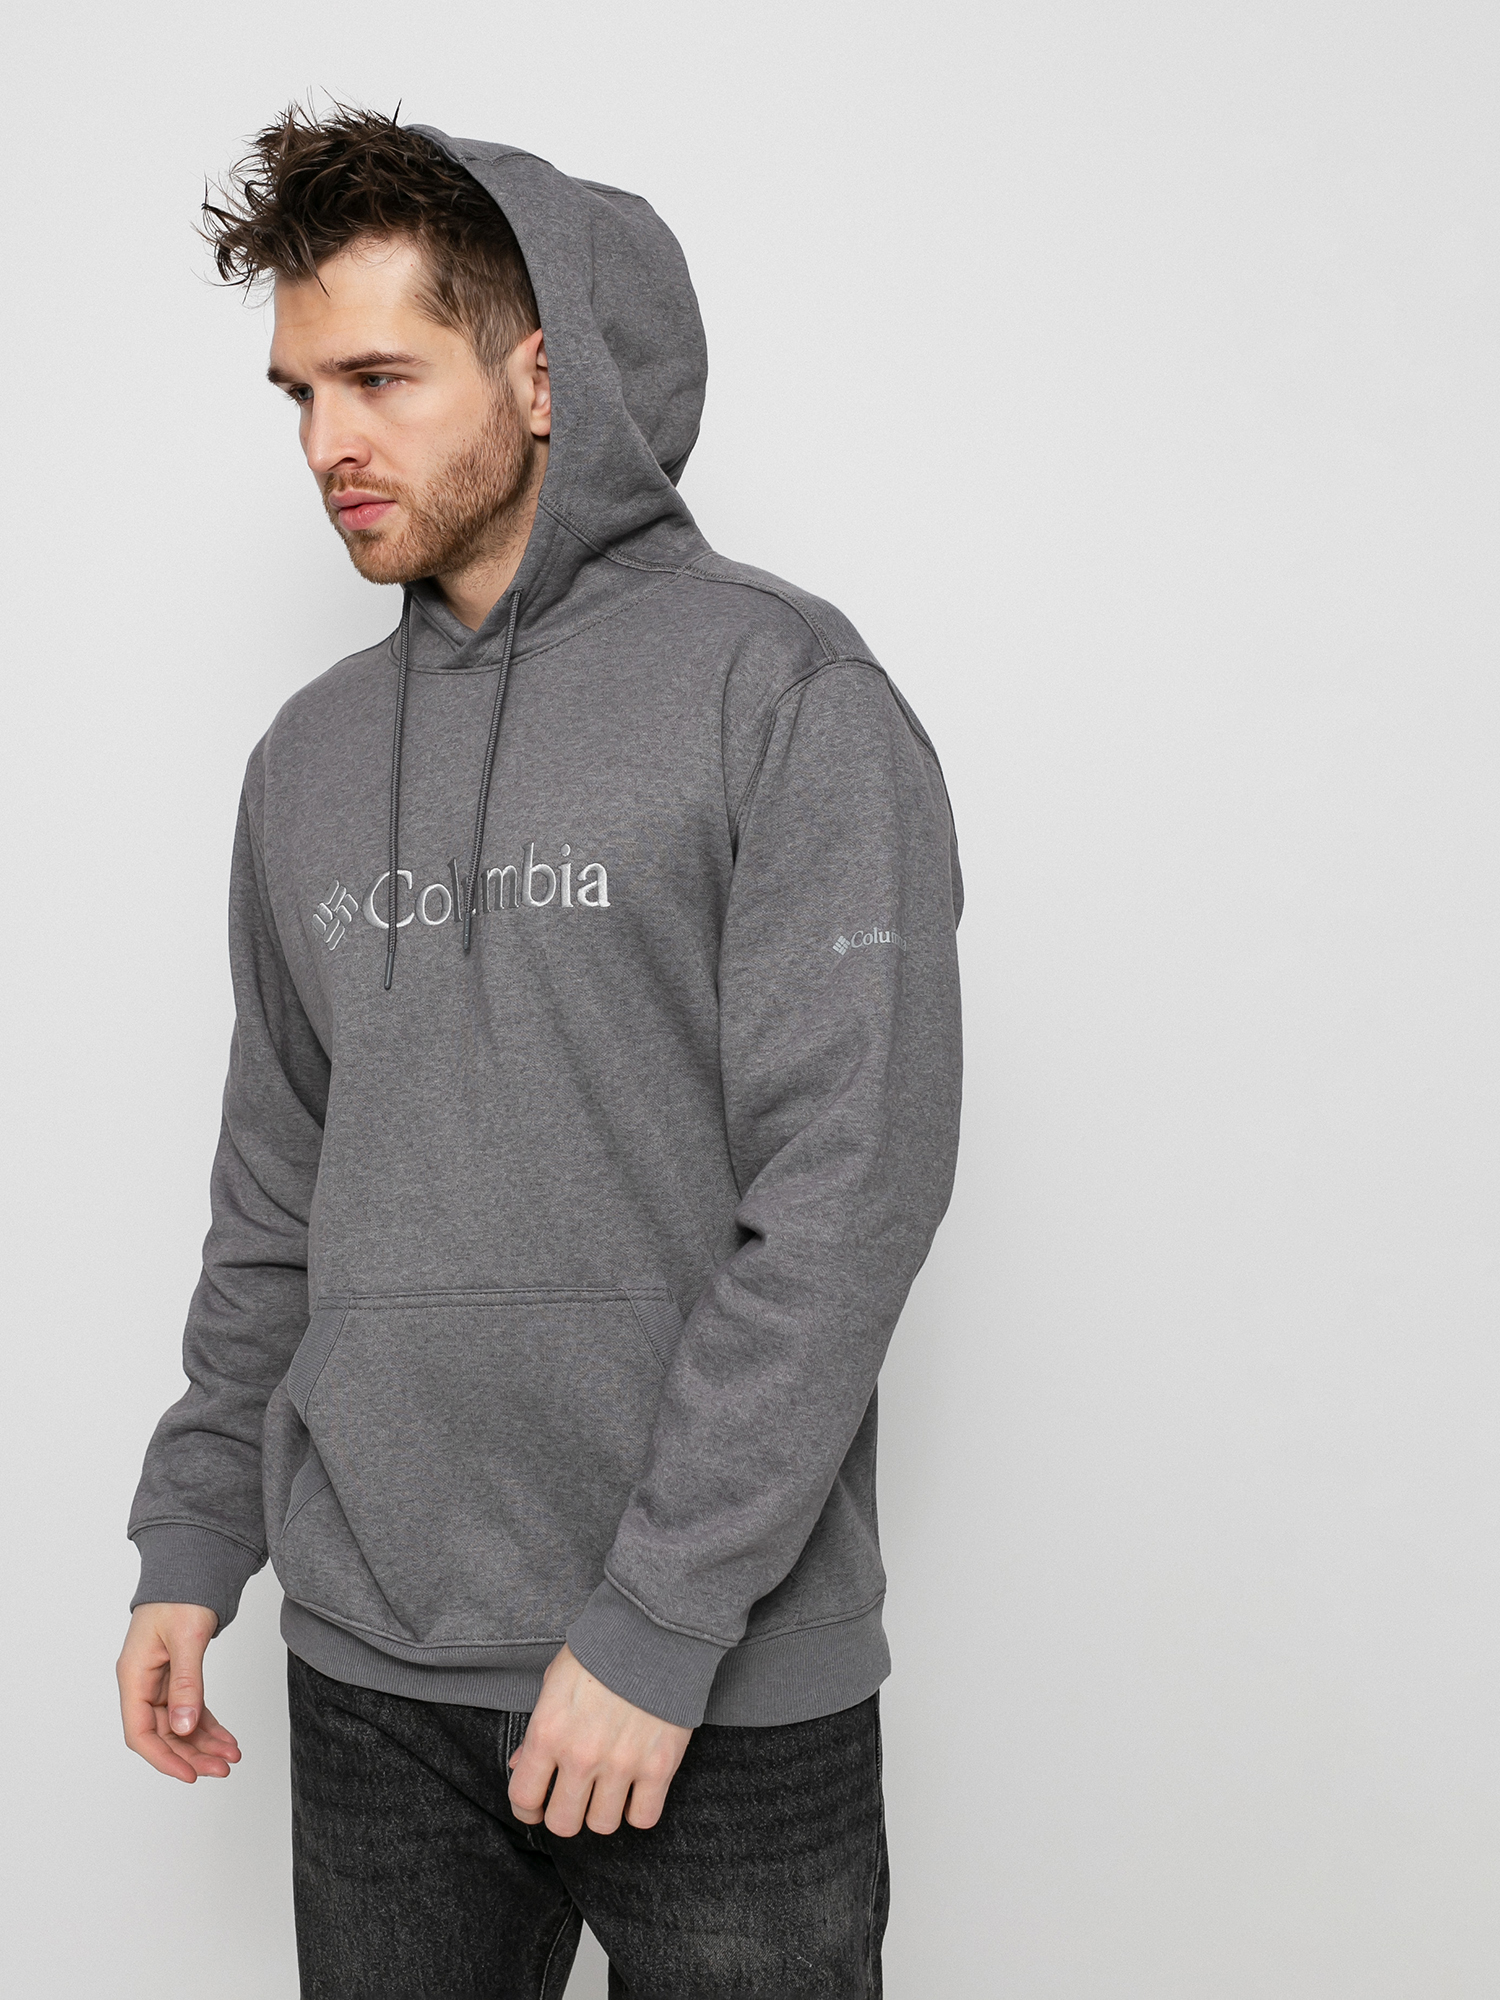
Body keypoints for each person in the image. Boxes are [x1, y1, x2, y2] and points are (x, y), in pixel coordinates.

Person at [117, 104, 962, 1999]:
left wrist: (661, 1617)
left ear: (544, 373)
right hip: (372, 1673)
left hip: (713, 1687)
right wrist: (195, 1531)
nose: (327, 444)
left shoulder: (785, 694)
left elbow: (850, 1190)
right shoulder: (309, 759)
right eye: (300, 394)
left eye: (379, 379)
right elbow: (277, 1190)